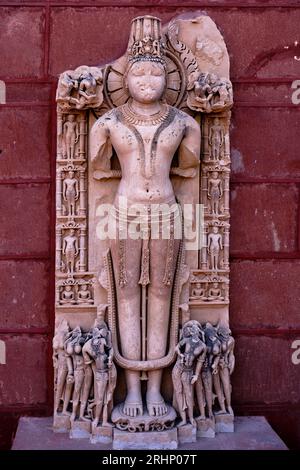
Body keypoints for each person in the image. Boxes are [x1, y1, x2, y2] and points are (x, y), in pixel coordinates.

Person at [90, 16, 200, 418]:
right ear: (125, 77)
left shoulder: (185, 124)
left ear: (169, 78)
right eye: (139, 71)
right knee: (125, 296)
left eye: (157, 71)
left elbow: (188, 168)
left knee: (163, 297)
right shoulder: (108, 124)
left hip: (167, 215)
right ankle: (130, 393)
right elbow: (101, 168)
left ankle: (156, 390)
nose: (148, 79)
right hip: (122, 213)